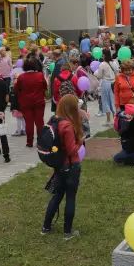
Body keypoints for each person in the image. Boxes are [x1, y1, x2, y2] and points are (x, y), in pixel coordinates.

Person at [41, 94, 84, 240]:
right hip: (71, 166)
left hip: (59, 166)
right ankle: (67, 232)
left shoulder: (54, 120)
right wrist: (80, 141)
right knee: (70, 197)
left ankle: (46, 227)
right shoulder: (67, 126)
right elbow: (72, 150)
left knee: (57, 195)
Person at [15, 57, 48, 149]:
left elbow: (16, 89)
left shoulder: (21, 77)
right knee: (39, 122)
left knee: (29, 122)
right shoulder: (40, 75)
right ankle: (40, 141)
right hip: (39, 102)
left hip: (26, 103)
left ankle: (29, 142)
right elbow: (45, 87)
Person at [95, 49, 118, 120]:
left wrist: (96, 75)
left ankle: (108, 119)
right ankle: (115, 117)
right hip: (114, 82)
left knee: (105, 101)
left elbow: (99, 76)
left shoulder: (102, 64)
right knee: (113, 100)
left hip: (105, 83)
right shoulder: (114, 63)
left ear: (104, 55)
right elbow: (117, 72)